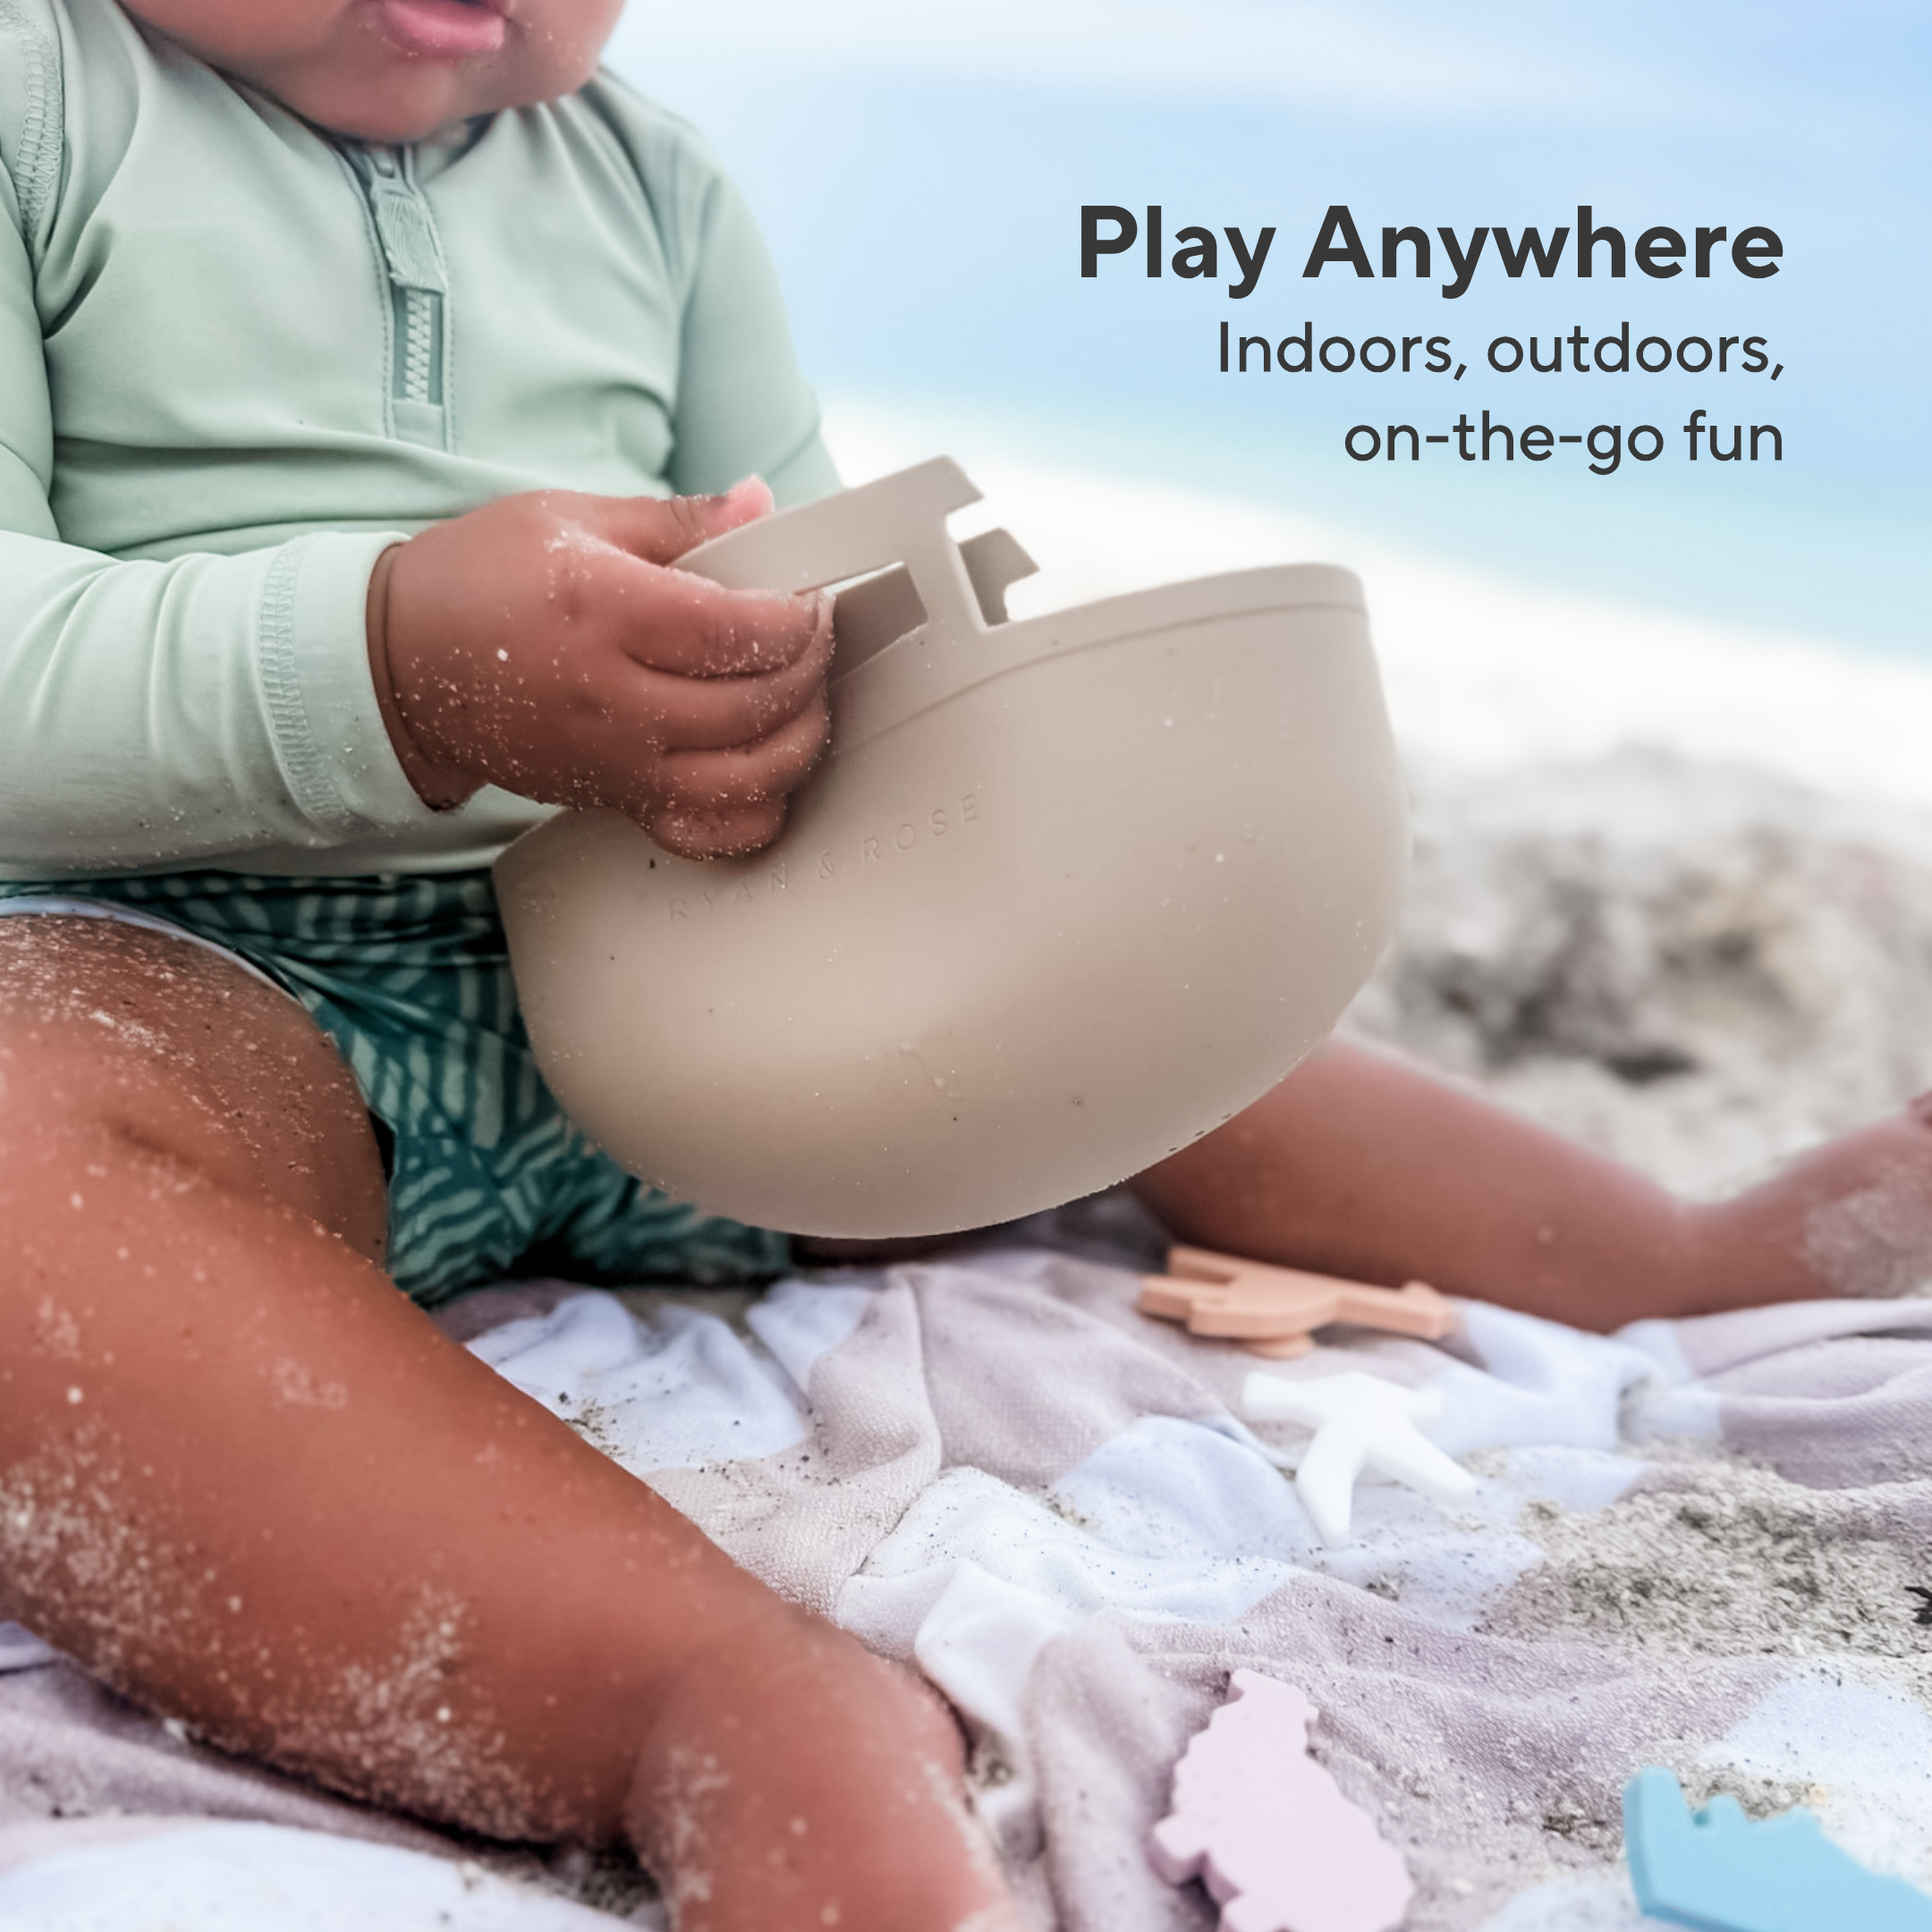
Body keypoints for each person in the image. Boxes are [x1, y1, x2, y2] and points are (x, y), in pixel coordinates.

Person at [1, 2, 1927, 1927]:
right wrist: (391, 666)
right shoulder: (43, 97)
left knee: (1137, 1009)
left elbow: (817, 595)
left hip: (687, 985)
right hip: (207, 973)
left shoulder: (651, 189)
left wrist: (860, 707)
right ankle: (707, 1697)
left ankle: (1679, 1259)